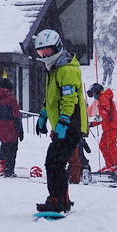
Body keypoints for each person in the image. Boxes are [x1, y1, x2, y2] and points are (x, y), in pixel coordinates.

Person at [33, 29, 88, 214]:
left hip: (71, 125)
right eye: (41, 53)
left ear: (57, 48)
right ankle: (59, 199)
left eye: (47, 51)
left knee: (54, 162)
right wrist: (43, 114)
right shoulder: (54, 68)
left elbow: (69, 99)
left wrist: (63, 122)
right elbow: (51, 98)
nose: (44, 56)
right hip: (62, 126)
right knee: (53, 162)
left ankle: (58, 200)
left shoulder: (67, 69)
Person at [87, 83, 117, 179]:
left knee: (110, 145)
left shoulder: (103, 97)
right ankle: (111, 165)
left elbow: (105, 110)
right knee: (103, 145)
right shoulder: (102, 98)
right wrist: (92, 124)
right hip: (108, 126)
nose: (93, 96)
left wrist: (100, 117)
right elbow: (102, 117)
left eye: (93, 94)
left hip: (112, 126)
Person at [0, 78, 24, 178]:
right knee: (12, 149)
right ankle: (9, 170)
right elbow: (16, 115)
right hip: (11, 127)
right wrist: (20, 129)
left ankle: (2, 166)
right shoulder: (11, 100)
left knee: (4, 145)